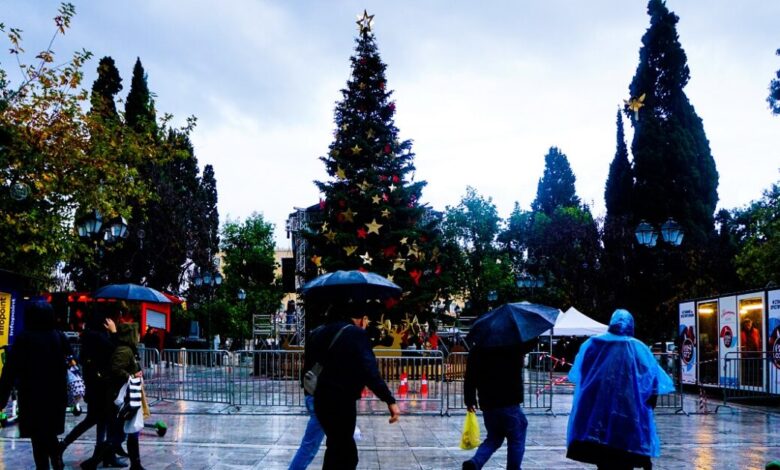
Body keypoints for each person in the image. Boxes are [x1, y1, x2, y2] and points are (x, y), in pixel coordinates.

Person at [566, 309, 675, 469]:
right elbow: (652, 382)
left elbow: (582, 376)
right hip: (628, 414)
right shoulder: (638, 349)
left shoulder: (593, 345)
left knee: (603, 457)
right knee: (624, 457)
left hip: (598, 413)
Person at [308, 302, 400, 469]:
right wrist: (389, 400)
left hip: (320, 399)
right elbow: (370, 371)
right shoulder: (356, 334)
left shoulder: (320, 331)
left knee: (336, 448)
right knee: (347, 455)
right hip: (341, 401)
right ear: (360, 319)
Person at [0, 301, 70, 470]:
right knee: (50, 433)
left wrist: (2, 398)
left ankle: (44, 466)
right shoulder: (59, 336)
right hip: (56, 396)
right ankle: (57, 459)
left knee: (38, 440)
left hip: (32, 396)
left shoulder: (24, 339)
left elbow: (10, 371)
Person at [59, 311, 127, 469]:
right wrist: (115, 332)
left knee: (102, 421)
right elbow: (116, 352)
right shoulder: (99, 337)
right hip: (102, 388)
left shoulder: (90, 337)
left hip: (96, 387)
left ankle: (102, 454)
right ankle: (64, 446)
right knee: (100, 420)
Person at [462, 338, 536, 470]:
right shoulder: (513, 345)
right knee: (517, 436)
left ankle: (475, 462)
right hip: (509, 401)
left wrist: (470, 400)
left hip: (488, 403)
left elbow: (470, 376)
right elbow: (530, 344)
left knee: (494, 437)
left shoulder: (477, 349)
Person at [110, 322, 146, 470]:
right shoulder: (124, 351)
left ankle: (135, 464)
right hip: (126, 396)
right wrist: (131, 375)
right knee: (124, 431)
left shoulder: (130, 350)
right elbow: (115, 369)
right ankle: (94, 460)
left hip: (131, 394)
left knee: (131, 430)